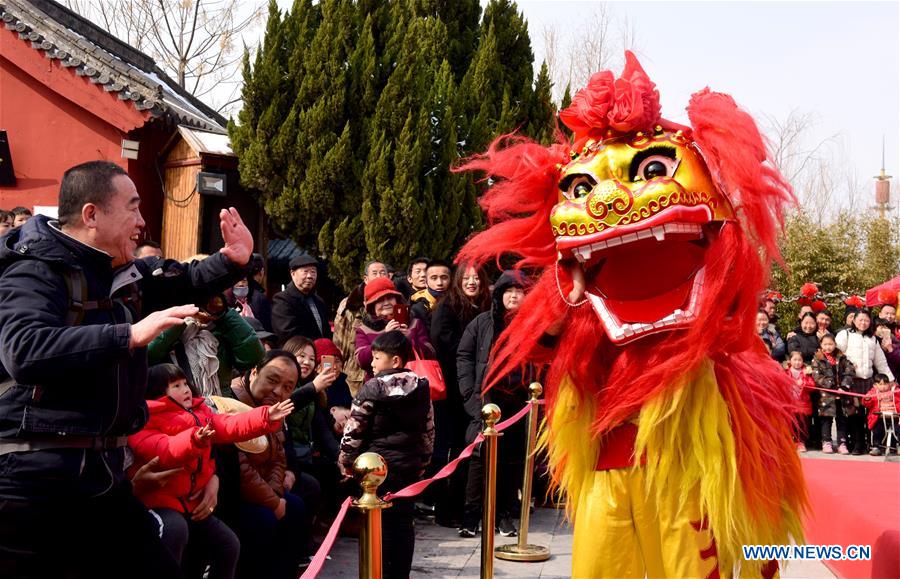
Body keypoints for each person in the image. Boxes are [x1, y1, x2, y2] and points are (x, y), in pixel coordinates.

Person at [0, 160, 254, 578]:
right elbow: (24, 349)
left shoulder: (118, 272)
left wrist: (231, 261)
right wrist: (129, 335)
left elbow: (180, 280)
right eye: (132, 208)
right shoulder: (33, 270)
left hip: (101, 475)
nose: (142, 221)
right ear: (91, 214)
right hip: (33, 478)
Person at [129, 364, 293, 579]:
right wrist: (194, 439)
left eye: (185, 383)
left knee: (228, 545)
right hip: (160, 503)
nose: (186, 389)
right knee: (175, 531)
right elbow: (164, 449)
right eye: (176, 386)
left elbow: (229, 424)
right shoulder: (147, 419)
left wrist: (264, 417)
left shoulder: (201, 412)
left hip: (192, 503)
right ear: (158, 392)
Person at [339, 330, 434, 579]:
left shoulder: (373, 387)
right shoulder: (422, 386)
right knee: (403, 522)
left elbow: (354, 429)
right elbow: (429, 428)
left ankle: (377, 572)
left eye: (377, 357)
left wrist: (347, 462)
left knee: (378, 523)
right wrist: (423, 462)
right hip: (409, 465)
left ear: (395, 361)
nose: (371, 362)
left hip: (377, 469)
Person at [457, 270, 533, 538]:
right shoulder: (481, 323)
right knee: (479, 459)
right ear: (499, 294)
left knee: (511, 461)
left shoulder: (532, 323)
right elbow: (464, 356)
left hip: (518, 403)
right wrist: (470, 393)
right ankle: (471, 515)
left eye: (519, 291)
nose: (514, 296)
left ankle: (503, 515)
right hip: (486, 402)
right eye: (508, 291)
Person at [230, 351, 311, 579]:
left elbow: (279, 457)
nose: (278, 392)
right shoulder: (232, 404)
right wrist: (274, 501)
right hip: (233, 492)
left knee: (295, 507)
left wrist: (276, 492)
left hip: (263, 488)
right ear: (254, 371)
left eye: (287, 387)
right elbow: (241, 469)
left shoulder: (276, 409)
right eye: (272, 381)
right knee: (264, 520)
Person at [429, 263, 491, 527]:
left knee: (474, 448)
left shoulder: (488, 307)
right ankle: (446, 509)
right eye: (466, 278)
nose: (472, 282)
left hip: (479, 389)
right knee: (452, 449)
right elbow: (444, 344)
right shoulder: (447, 307)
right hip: (453, 391)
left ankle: (471, 505)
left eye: (476, 278)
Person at [835, 309, 895, 454]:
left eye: (866, 320)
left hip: (867, 381)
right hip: (851, 381)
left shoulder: (872, 339)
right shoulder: (845, 334)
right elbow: (835, 354)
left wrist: (891, 380)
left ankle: (868, 444)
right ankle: (857, 444)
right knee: (854, 414)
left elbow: (880, 362)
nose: (863, 323)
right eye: (860, 319)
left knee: (867, 413)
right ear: (854, 320)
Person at [355, 276, 434, 382]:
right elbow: (361, 361)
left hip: (412, 385)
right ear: (372, 306)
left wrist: (409, 340)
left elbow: (431, 353)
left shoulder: (414, 323)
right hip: (379, 387)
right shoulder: (363, 330)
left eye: (390, 298)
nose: (386, 303)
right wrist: (385, 336)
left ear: (397, 299)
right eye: (380, 300)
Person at [334, 260, 389, 396]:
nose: (379, 276)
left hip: (387, 372)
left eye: (383, 273)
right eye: (374, 273)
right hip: (355, 374)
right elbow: (339, 342)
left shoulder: (395, 303)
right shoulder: (350, 305)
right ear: (365, 279)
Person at [271, 253, 332, 342]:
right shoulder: (282, 300)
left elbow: (326, 331)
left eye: (313, 272)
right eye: (305, 271)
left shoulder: (318, 301)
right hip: (296, 353)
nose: (310, 276)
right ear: (293, 274)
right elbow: (288, 334)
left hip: (321, 353)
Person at [811, 334, 856, 454]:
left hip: (842, 394)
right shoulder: (817, 358)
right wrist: (831, 385)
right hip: (826, 395)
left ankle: (842, 442)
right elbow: (817, 376)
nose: (828, 347)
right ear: (821, 345)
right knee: (826, 419)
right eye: (825, 344)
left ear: (835, 345)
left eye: (830, 344)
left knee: (842, 419)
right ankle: (826, 442)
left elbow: (850, 371)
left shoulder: (842, 357)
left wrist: (844, 386)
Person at [410, 259, 452, 331]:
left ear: (451, 280)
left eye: (444, 278)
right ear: (426, 283)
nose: (439, 283)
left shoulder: (457, 302)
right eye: (434, 278)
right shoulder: (418, 309)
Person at [862, 374, 899, 456]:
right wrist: (867, 399)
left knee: (898, 429)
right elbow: (867, 404)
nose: (884, 387)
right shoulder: (873, 392)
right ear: (875, 385)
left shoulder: (895, 391)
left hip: (895, 416)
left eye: (886, 384)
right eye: (881, 384)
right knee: (877, 430)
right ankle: (876, 447)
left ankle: (898, 445)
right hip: (879, 416)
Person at [784, 350, 814, 452]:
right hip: (790, 404)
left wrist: (804, 382)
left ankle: (801, 442)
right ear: (790, 361)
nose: (797, 362)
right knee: (791, 424)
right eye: (795, 360)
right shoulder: (785, 372)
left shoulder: (806, 372)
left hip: (803, 404)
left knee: (802, 424)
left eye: (799, 360)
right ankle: (791, 441)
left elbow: (812, 386)